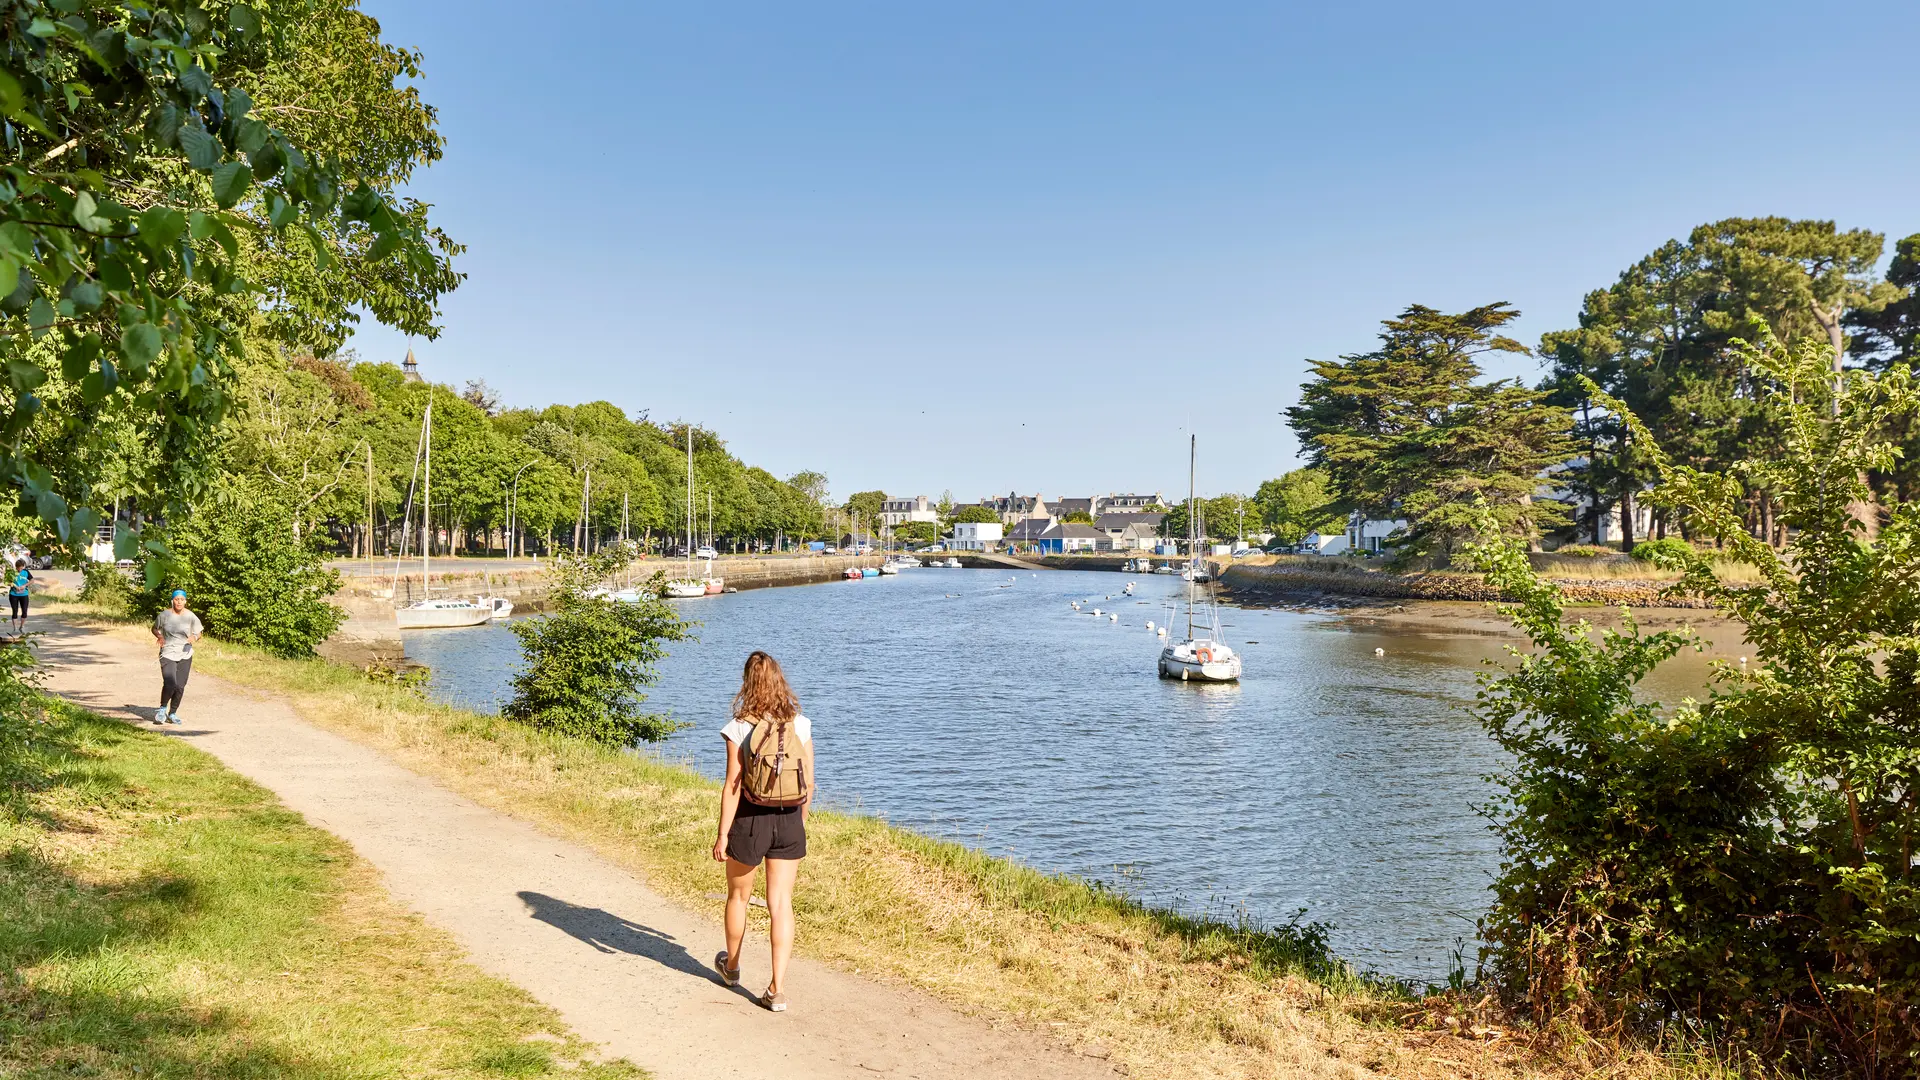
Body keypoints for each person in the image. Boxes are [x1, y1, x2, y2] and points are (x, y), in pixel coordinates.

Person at [712, 651, 813, 1012]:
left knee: (738, 897)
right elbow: (810, 783)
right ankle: (776, 990)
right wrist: (797, 824)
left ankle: (733, 968)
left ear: (746, 683)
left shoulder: (739, 727)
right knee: (781, 904)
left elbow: (732, 786)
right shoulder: (799, 724)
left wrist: (723, 835)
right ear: (779, 680)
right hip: (788, 818)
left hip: (750, 819)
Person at [151, 589, 203, 725]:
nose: (179, 602)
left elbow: (199, 632)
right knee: (170, 682)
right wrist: (160, 636)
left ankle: (172, 713)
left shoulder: (191, 616)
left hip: (185, 654)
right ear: (172, 600)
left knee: (180, 686)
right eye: (176, 599)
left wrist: (194, 637)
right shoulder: (164, 615)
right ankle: (162, 709)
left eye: (182, 599)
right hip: (167, 653)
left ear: (185, 601)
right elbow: (154, 628)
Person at [7, 558, 29, 636]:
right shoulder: (12, 573)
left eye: (21, 568)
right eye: (18, 568)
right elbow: (8, 582)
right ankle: (15, 628)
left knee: (24, 611)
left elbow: (32, 580)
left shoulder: (26, 572)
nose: (20, 569)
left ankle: (22, 627)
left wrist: (24, 585)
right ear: (16, 567)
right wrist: (15, 586)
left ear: (23, 567)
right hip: (14, 594)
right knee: (15, 611)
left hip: (24, 594)